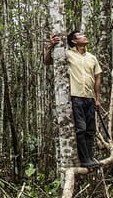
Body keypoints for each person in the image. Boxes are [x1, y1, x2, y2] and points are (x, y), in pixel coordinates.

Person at [44, 30, 102, 168]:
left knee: (91, 130)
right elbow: (48, 62)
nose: (85, 36)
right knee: (80, 128)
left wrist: (98, 98)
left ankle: (90, 157)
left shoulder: (92, 58)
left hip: (90, 98)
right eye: (81, 35)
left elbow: (97, 78)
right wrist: (50, 46)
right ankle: (84, 159)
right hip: (76, 98)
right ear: (74, 41)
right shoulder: (68, 55)